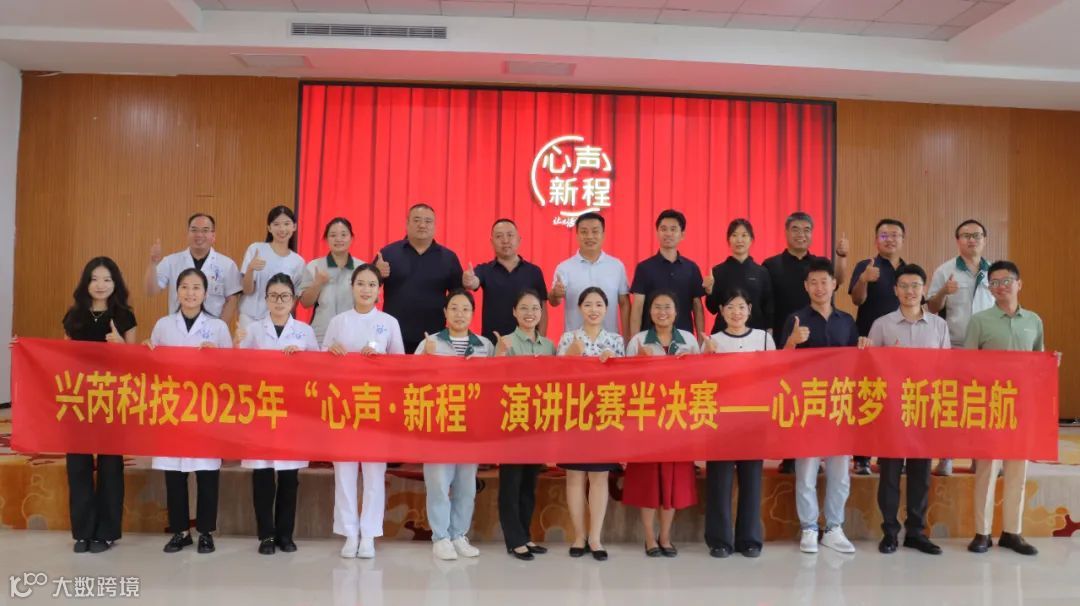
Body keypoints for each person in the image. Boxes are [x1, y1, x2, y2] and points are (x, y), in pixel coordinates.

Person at [780, 258, 867, 554]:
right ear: (806, 286)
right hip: (808, 404)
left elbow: (857, 364)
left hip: (839, 404)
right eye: (813, 282)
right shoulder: (795, 319)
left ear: (834, 284)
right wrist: (792, 342)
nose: (819, 288)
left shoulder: (847, 321)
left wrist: (864, 348)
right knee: (806, 469)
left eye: (824, 282)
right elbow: (780, 364)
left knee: (839, 471)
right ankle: (808, 527)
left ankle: (833, 527)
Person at [146, 268, 233, 554]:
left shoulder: (218, 327)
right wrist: (147, 350)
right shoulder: (163, 325)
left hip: (205, 409)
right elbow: (153, 366)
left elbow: (231, 370)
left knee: (206, 474)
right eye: (184, 287)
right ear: (177, 292)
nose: (190, 293)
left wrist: (216, 357)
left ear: (205, 293)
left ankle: (206, 532)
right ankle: (180, 531)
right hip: (172, 408)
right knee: (174, 474)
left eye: (196, 288)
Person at [322, 263, 405, 559]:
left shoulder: (389, 322)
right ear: (352, 287)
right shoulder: (338, 322)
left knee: (373, 473)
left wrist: (381, 359)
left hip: (375, 408)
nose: (366, 289)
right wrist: (331, 353)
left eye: (372, 284)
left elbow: (401, 365)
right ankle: (349, 532)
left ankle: (368, 534)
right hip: (343, 407)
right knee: (344, 472)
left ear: (379, 290)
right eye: (361, 284)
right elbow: (320, 363)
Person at [235, 273, 319, 555]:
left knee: (288, 477)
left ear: (294, 300)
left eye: (284, 296)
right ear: (266, 299)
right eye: (273, 296)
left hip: (291, 413)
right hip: (261, 411)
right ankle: (266, 535)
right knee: (262, 475)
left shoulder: (304, 332)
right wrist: (237, 343)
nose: (279, 301)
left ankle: (285, 534)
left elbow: (318, 371)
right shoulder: (254, 330)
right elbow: (239, 367)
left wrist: (303, 360)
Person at [867, 264, 947, 556]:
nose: (910, 291)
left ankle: (916, 532)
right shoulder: (882, 325)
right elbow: (869, 369)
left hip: (924, 409)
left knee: (920, 474)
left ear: (924, 289)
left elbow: (946, 368)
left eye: (915, 285)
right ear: (895, 290)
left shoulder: (939, 326)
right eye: (904, 286)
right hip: (891, 411)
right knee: (889, 474)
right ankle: (889, 532)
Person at [965, 261, 1042, 556]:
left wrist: (1052, 363)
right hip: (990, 406)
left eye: (1006, 280)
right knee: (987, 470)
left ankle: (1012, 532)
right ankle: (982, 533)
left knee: (1017, 471)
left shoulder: (1033, 321)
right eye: (994, 283)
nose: (1000, 287)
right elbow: (967, 366)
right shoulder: (979, 321)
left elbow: (1039, 364)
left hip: (1022, 408)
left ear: (1019, 284)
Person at [61, 257, 137, 554]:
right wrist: (24, 349)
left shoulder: (124, 316)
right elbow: (59, 357)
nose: (100, 285)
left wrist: (121, 346)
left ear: (115, 283)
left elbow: (135, 365)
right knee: (78, 466)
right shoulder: (74, 316)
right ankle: (83, 532)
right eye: (94, 279)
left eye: (107, 279)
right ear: (86, 283)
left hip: (112, 400)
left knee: (110, 466)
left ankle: (106, 532)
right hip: (79, 399)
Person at [764, 212, 848, 474]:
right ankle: (791, 455)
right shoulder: (771, 265)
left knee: (817, 401)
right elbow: (767, 302)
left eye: (806, 230)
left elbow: (839, 281)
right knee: (790, 401)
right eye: (796, 229)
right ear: (786, 232)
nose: (801, 234)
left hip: (820, 337)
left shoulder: (819, 264)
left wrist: (842, 257)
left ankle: (819, 454)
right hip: (787, 338)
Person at [415, 289, 494, 560]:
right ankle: (440, 537)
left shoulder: (484, 345)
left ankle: (459, 534)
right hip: (439, 423)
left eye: (465, 309)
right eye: (454, 308)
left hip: (470, 426)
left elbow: (495, 384)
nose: (460, 314)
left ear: (473, 314)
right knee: (438, 483)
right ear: (445, 313)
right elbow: (410, 380)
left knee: (466, 485)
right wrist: (426, 358)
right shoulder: (431, 342)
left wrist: (500, 357)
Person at [623, 291, 700, 558]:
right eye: (657, 307)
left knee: (672, 482)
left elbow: (701, 379)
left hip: (678, 421)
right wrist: (638, 363)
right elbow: (625, 383)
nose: (662, 312)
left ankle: (665, 537)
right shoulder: (638, 341)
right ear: (650, 312)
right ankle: (649, 538)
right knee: (648, 482)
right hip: (647, 422)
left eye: (668, 307)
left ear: (676, 312)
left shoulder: (689, 340)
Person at [702, 289, 773, 559]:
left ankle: (749, 540)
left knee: (751, 481)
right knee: (719, 482)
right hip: (721, 422)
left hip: (753, 419)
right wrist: (707, 357)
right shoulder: (713, 341)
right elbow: (701, 381)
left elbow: (773, 374)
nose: (736, 313)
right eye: (730, 307)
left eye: (741, 307)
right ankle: (719, 540)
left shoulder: (763, 339)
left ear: (750, 310)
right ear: (721, 311)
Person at [556, 287, 625, 561]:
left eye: (599, 304)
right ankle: (579, 536)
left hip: (604, 416)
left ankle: (595, 537)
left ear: (607, 309)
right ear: (579, 308)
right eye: (588, 304)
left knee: (599, 477)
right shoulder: (567, 338)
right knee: (574, 476)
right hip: (574, 416)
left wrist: (613, 365)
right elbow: (557, 380)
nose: (593, 309)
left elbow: (625, 383)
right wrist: (571, 356)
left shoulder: (616, 341)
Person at [927, 219, 994, 477]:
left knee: (983, 406)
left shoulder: (994, 271)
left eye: (977, 235)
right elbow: (932, 307)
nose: (972, 239)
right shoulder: (945, 270)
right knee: (951, 405)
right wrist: (944, 291)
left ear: (984, 239)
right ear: (958, 241)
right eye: (966, 235)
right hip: (955, 346)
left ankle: (980, 458)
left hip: (987, 350)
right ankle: (946, 458)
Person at [492, 289, 555, 561]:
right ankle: (514, 539)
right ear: (514, 312)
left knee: (530, 482)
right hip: (513, 421)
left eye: (535, 309)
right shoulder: (505, 342)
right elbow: (493, 382)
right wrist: (499, 358)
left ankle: (526, 535)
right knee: (511, 482)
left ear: (541, 313)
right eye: (524, 308)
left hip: (538, 421)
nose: (530, 313)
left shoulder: (548, 346)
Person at [848, 219, 907, 475]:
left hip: (899, 345)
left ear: (902, 240)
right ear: (876, 240)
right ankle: (861, 457)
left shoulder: (907, 270)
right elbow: (856, 299)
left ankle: (889, 455)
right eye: (884, 235)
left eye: (895, 235)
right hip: (868, 341)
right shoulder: (866, 265)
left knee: (894, 400)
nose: (890, 239)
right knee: (867, 398)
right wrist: (864, 279)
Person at [375, 203, 464, 353]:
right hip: (394, 335)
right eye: (416, 220)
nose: (422, 225)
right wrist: (377, 274)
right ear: (407, 223)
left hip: (435, 337)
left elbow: (458, 296)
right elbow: (368, 288)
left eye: (428, 221)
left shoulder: (449, 258)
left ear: (435, 226)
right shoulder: (388, 253)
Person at [145, 213, 241, 326]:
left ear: (213, 235)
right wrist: (153, 263)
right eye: (194, 230)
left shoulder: (227, 264)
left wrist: (220, 327)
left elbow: (232, 299)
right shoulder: (171, 261)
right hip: (178, 327)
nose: (199, 234)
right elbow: (151, 291)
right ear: (188, 234)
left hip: (211, 328)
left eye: (205, 230)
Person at [463, 218, 548, 343]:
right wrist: (468, 280)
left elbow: (543, 308)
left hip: (527, 344)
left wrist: (541, 341)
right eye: (499, 236)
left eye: (510, 235)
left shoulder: (534, 272)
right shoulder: (485, 270)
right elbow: (473, 282)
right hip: (493, 343)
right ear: (492, 242)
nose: (505, 240)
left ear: (519, 240)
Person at [549, 212, 630, 336]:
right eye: (584, 232)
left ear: (603, 235)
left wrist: (627, 339)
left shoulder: (616, 266)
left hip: (609, 341)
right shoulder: (564, 267)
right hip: (575, 341)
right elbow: (554, 301)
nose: (590, 236)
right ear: (577, 235)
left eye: (595, 231)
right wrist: (555, 294)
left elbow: (624, 303)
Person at [629, 210, 706, 339]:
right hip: (650, 339)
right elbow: (637, 308)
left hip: (684, 339)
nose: (668, 233)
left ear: (682, 234)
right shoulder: (644, 268)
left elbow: (697, 307)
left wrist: (701, 341)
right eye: (663, 229)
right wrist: (634, 341)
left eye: (673, 229)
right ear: (657, 233)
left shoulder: (692, 268)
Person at [298, 217, 364, 344]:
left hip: (353, 332)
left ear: (351, 238)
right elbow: (305, 303)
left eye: (343, 235)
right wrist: (317, 284)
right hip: (322, 332)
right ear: (326, 239)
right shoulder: (314, 266)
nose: (338, 239)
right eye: (333, 235)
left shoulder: (362, 268)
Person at [239, 206, 305, 329]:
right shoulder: (256, 249)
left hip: (278, 320)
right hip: (250, 318)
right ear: (269, 228)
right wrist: (250, 269)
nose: (282, 229)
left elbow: (294, 298)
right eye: (276, 224)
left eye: (286, 224)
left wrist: (284, 320)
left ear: (294, 227)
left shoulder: (298, 262)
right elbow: (247, 290)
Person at [704, 218, 773, 336]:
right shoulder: (718, 271)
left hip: (755, 333)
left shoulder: (761, 272)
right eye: (734, 235)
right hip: (725, 334)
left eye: (744, 235)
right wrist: (709, 291)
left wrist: (769, 331)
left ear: (751, 240)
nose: (739, 240)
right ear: (728, 240)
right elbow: (712, 309)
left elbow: (769, 306)